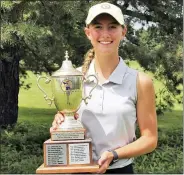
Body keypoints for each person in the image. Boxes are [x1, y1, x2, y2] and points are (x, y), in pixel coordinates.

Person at [50, 2, 158, 174]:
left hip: (119, 170)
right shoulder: (72, 78)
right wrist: (61, 120)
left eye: (112, 27)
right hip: (78, 170)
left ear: (124, 31)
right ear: (88, 32)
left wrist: (114, 154)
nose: (105, 34)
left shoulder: (140, 81)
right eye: (98, 27)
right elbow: (68, 118)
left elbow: (150, 139)